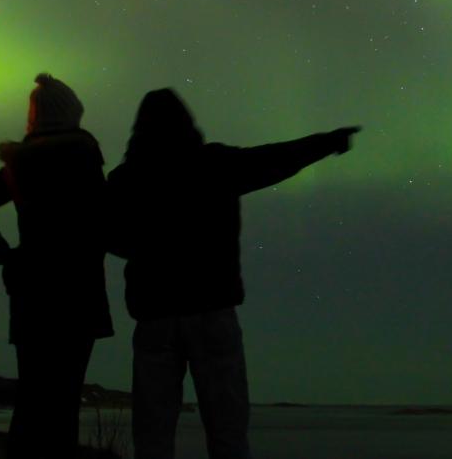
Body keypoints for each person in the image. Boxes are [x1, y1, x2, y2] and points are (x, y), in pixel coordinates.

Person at [107, 88, 359, 459]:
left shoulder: (125, 179)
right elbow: (276, 158)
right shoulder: (215, 164)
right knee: (228, 432)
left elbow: (109, 237)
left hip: (155, 317)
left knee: (153, 435)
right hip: (212, 311)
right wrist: (328, 142)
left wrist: (146, 250)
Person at [0, 73, 114, 458]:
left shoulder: (19, 163)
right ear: (70, 114)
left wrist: (8, 257)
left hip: (31, 293)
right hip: (78, 292)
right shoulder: (82, 155)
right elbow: (104, 221)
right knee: (63, 402)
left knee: (31, 400)